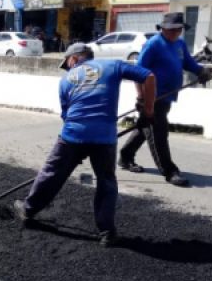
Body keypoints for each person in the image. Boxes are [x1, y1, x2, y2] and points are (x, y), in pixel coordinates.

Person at [13, 43, 156, 247]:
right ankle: (107, 232)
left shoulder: (66, 80)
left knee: (52, 173)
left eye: (67, 63)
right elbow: (149, 76)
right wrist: (147, 110)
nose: (68, 67)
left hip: (73, 135)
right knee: (106, 181)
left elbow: (66, 116)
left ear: (73, 58)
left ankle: (28, 210)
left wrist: (78, 149)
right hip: (104, 138)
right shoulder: (113, 65)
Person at [118, 12, 212, 187]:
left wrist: (201, 71)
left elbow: (188, 63)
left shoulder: (180, 44)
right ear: (162, 28)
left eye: (178, 29)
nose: (174, 32)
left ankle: (125, 157)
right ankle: (169, 171)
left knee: (145, 127)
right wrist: (141, 97)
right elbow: (137, 72)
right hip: (152, 97)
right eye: (171, 29)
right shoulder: (153, 44)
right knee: (159, 134)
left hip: (167, 96)